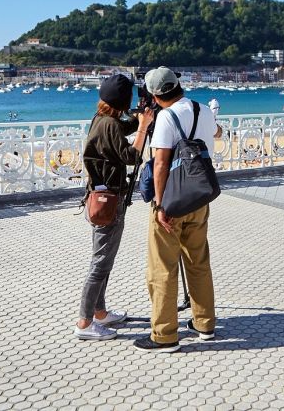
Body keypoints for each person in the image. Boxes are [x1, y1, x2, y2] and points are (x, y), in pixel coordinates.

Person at [134, 67, 222, 353]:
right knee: (198, 261)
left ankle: (164, 335)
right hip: (199, 198)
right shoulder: (203, 111)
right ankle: (205, 323)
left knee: (163, 267)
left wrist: (160, 205)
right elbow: (217, 133)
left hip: (172, 200)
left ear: (156, 94)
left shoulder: (166, 118)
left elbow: (160, 164)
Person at [75, 74, 154, 341]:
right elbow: (131, 157)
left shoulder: (102, 119)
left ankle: (100, 312)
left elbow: (121, 130)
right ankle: (84, 322)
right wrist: (143, 127)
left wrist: (140, 119)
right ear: (123, 100)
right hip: (108, 202)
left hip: (103, 198)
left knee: (104, 260)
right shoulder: (108, 124)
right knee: (100, 263)